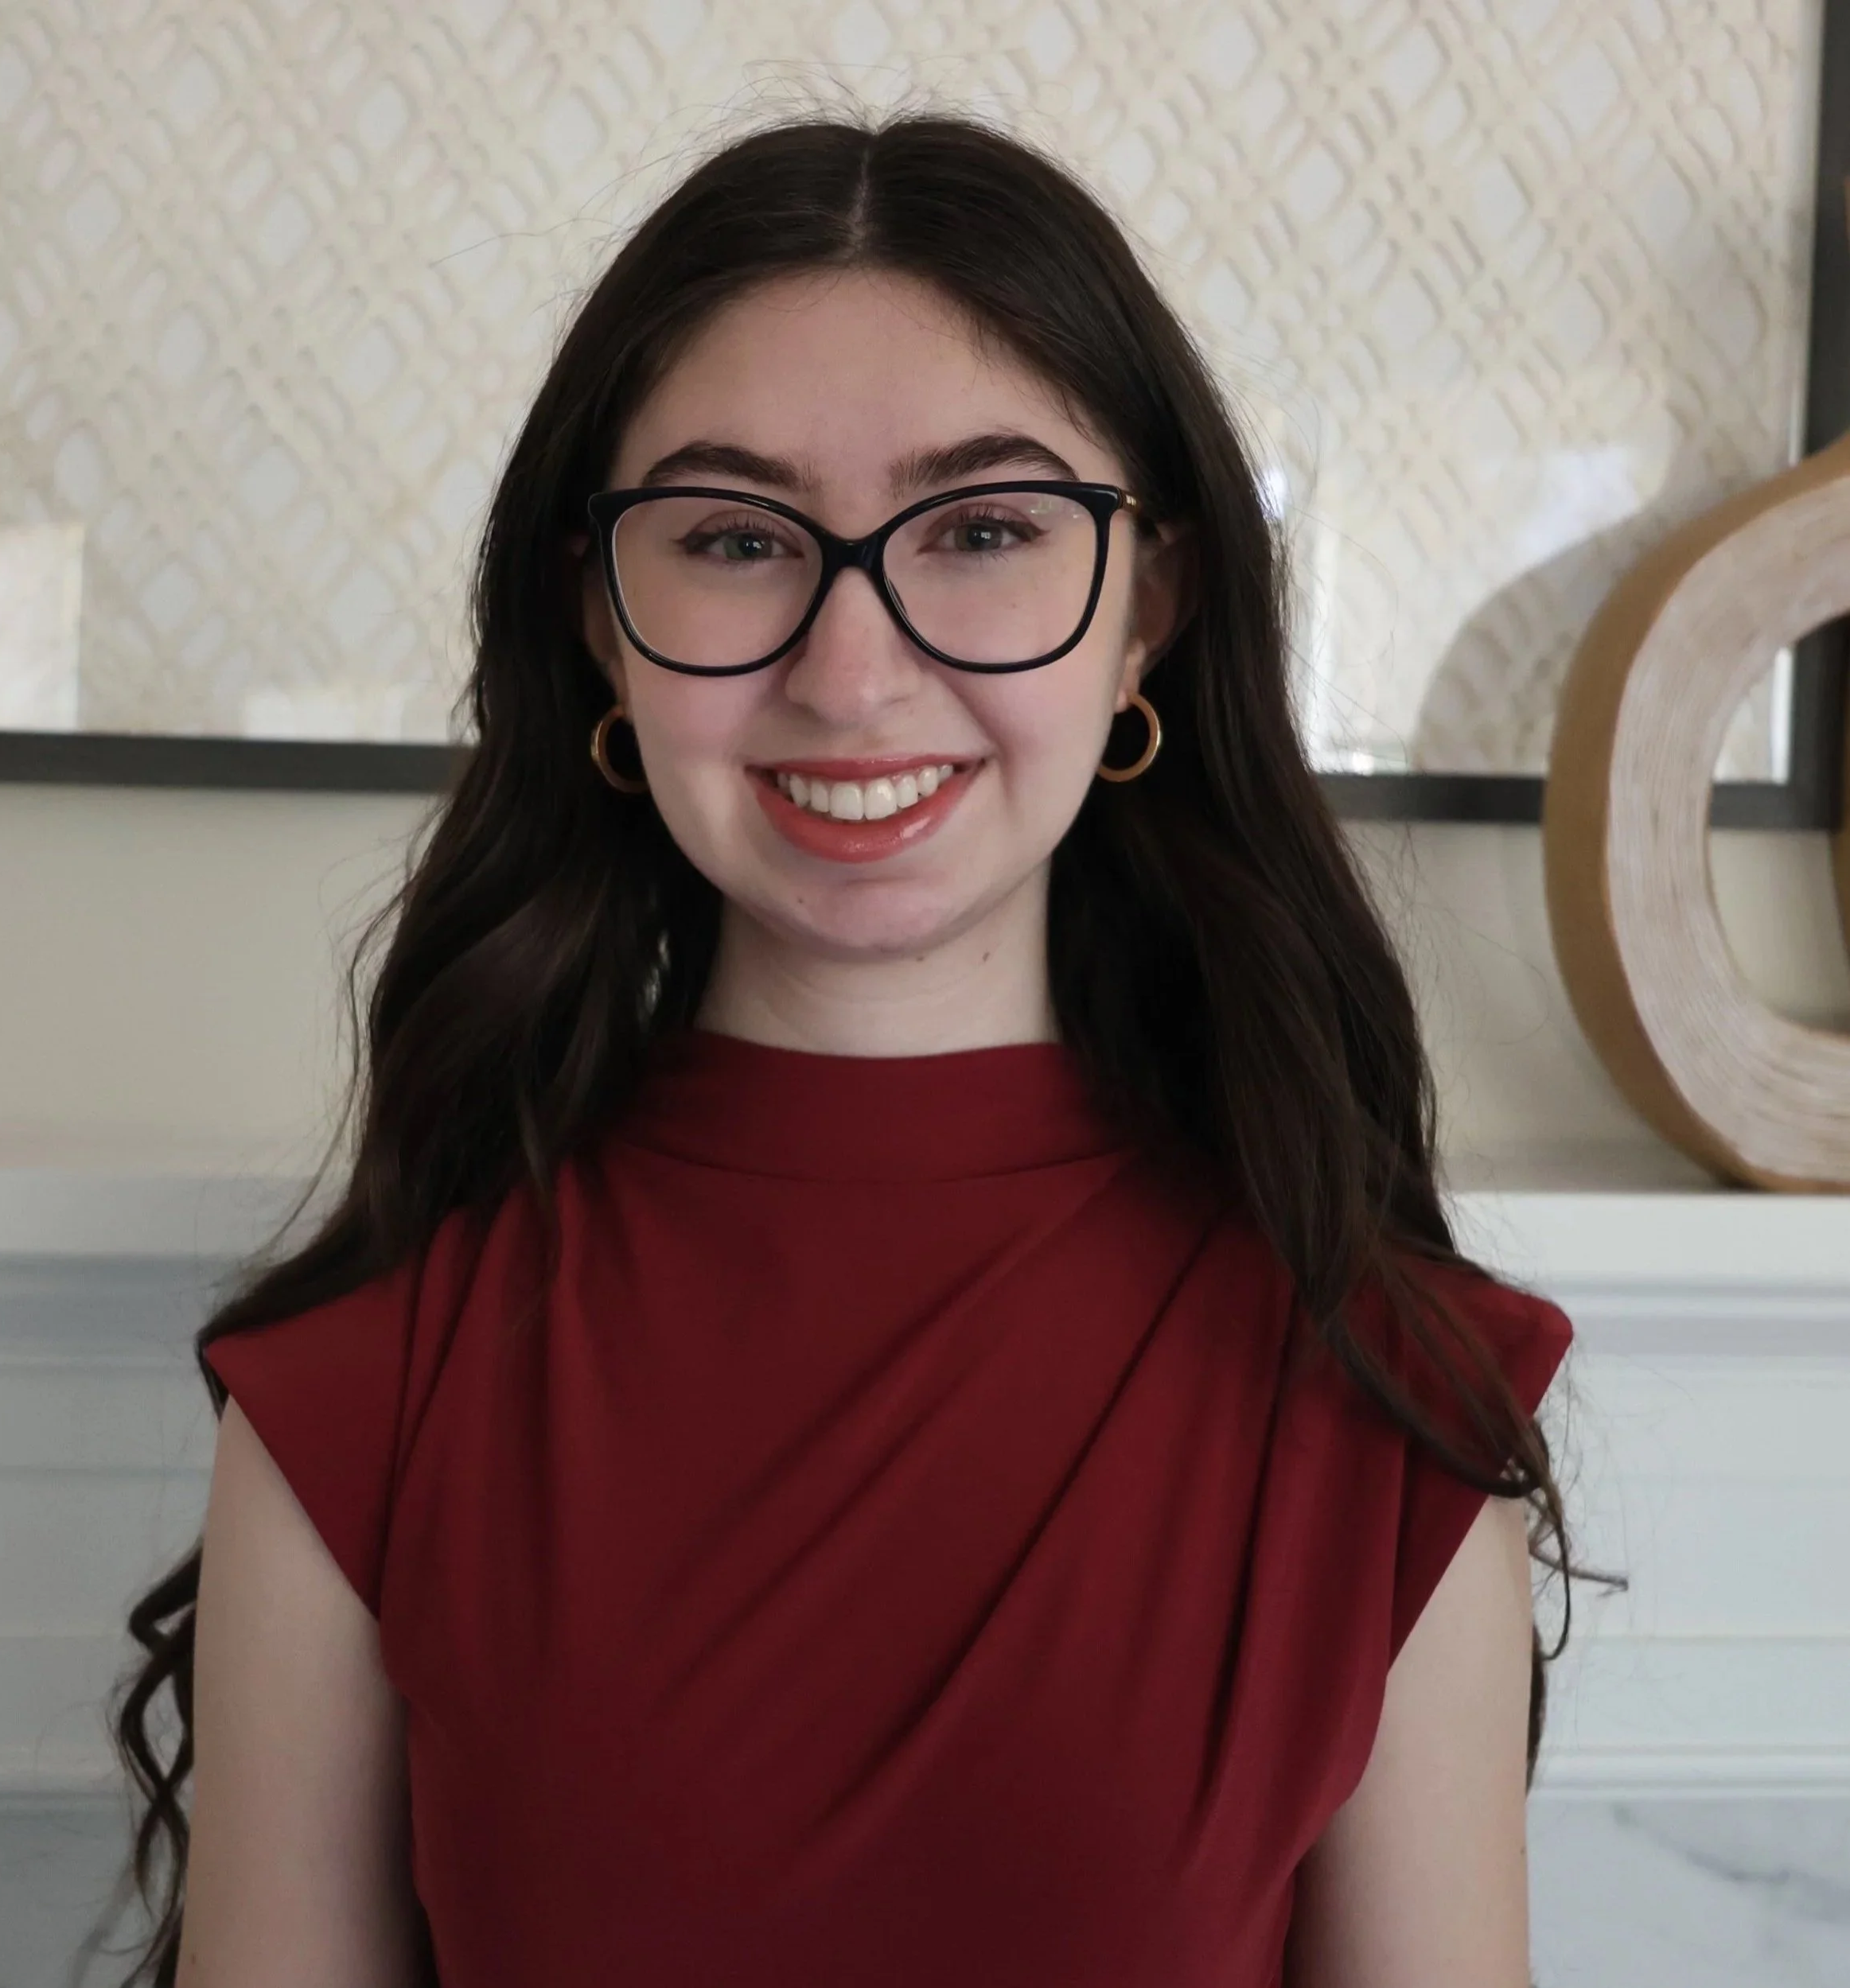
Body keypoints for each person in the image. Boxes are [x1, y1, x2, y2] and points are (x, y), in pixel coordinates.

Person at [111, 110, 1577, 1988]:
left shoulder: (1387, 1396)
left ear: (1150, 607)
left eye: (983, 531)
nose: (851, 669)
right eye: (736, 540)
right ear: (598, 621)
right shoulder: (364, 1391)